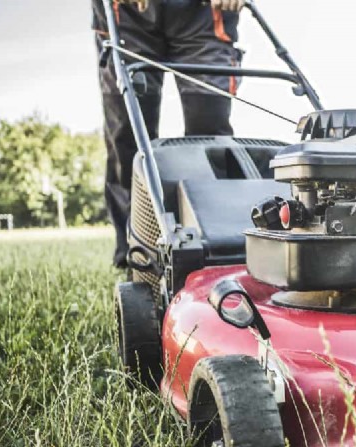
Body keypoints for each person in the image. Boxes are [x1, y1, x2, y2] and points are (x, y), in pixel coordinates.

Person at [92, 0, 244, 268]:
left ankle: (218, 245)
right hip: (127, 14)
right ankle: (135, 252)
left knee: (210, 135)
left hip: (203, 13)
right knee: (128, 134)